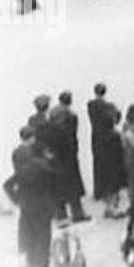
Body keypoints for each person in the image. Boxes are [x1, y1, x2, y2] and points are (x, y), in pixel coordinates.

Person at [8, 125, 57, 267]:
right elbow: (52, 184)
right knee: (43, 235)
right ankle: (41, 266)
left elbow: (12, 181)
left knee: (28, 233)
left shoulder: (17, 154)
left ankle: (30, 263)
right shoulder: (42, 165)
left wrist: (17, 199)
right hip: (42, 203)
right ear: (33, 138)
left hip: (26, 202)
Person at [46, 91, 89, 222]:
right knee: (73, 185)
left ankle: (61, 214)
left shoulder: (52, 115)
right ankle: (77, 213)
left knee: (58, 185)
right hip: (68, 155)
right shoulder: (71, 116)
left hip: (55, 155)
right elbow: (72, 137)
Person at [87, 83, 127, 218]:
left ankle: (99, 191)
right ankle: (112, 204)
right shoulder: (108, 107)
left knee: (98, 166)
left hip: (96, 139)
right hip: (109, 142)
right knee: (113, 172)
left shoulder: (91, 106)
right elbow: (115, 119)